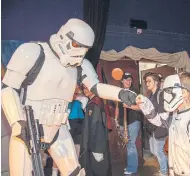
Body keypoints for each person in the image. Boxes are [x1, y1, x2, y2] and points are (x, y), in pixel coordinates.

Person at [1, 18, 137, 176]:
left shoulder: (81, 66)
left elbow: (96, 87)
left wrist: (121, 94)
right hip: (27, 129)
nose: (80, 52)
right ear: (64, 36)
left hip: (58, 129)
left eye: (85, 48)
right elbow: (8, 89)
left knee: (75, 172)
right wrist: (18, 123)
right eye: (77, 45)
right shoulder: (33, 52)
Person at [136, 72, 190, 176]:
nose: (166, 95)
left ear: (184, 93)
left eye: (169, 91)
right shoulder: (175, 116)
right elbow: (159, 120)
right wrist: (144, 103)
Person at [79, 84, 111, 176]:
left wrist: (98, 149)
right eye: (84, 88)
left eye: (87, 87)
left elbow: (97, 126)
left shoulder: (95, 104)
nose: (85, 90)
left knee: (98, 170)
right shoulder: (93, 102)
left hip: (96, 145)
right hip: (92, 144)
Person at [142, 72, 168, 176]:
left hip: (160, 128)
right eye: (146, 81)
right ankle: (169, 166)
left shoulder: (160, 94)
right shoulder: (151, 95)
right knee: (154, 151)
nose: (147, 83)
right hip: (152, 128)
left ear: (156, 82)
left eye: (149, 81)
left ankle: (164, 171)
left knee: (158, 151)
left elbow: (164, 114)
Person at [116, 72, 142, 175]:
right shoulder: (119, 92)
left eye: (130, 79)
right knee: (128, 144)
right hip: (122, 122)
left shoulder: (135, 93)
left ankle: (132, 168)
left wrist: (129, 106)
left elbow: (141, 108)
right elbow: (118, 107)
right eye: (126, 79)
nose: (128, 81)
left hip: (133, 121)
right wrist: (116, 119)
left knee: (131, 144)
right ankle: (130, 166)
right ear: (122, 81)